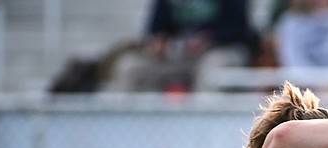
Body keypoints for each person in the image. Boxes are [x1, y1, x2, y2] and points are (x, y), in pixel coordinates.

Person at [107, 0, 257, 93]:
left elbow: (238, 27)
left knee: (210, 72)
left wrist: (210, 37)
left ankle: (201, 132)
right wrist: (158, 41)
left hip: (221, 50)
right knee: (130, 68)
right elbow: (156, 27)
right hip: (179, 53)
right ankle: (128, 133)